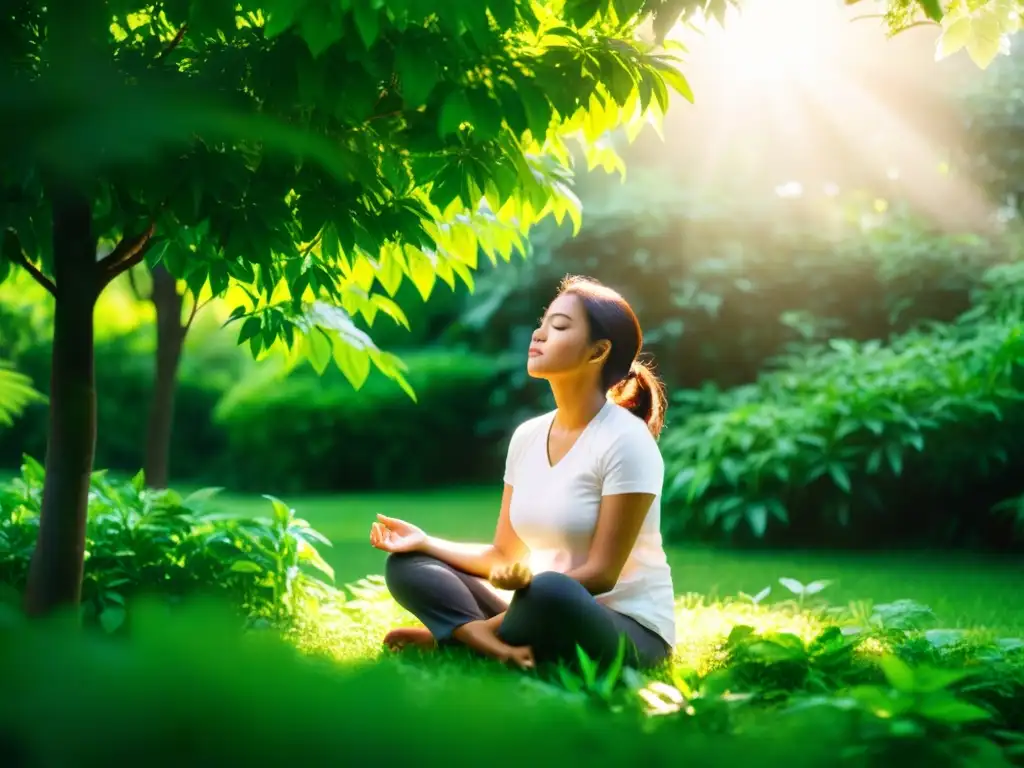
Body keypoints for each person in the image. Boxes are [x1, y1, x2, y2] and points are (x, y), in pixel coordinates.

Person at [368, 275, 676, 671]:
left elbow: (601, 576)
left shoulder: (627, 440)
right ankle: (487, 642)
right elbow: (502, 555)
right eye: (543, 322)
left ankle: (462, 640)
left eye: (560, 327)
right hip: (533, 605)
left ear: (598, 351)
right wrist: (425, 543)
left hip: (624, 632)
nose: (539, 334)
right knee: (409, 566)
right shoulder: (527, 436)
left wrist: (487, 623)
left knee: (549, 588)